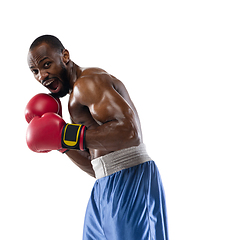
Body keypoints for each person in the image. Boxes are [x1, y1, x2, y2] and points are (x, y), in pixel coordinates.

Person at [25, 35, 168, 240]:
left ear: (65, 56)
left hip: (130, 181)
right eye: (35, 71)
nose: (42, 76)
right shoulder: (75, 96)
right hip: (105, 185)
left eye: (46, 65)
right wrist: (61, 143)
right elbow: (98, 167)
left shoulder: (88, 82)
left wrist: (66, 135)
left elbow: (129, 132)